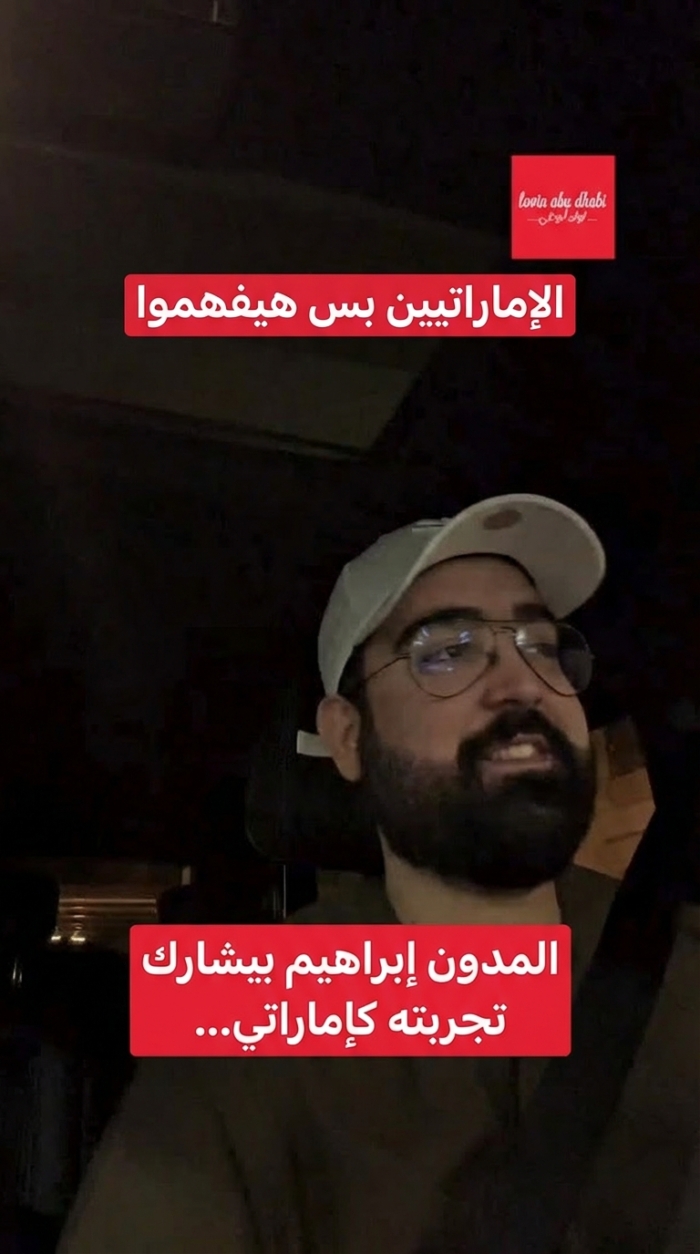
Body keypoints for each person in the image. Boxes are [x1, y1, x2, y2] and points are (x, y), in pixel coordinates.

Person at [57, 495, 699, 1254]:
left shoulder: (679, 957)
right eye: (447, 650)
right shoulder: (253, 1009)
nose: (524, 682)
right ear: (349, 737)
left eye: (541, 643)